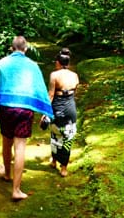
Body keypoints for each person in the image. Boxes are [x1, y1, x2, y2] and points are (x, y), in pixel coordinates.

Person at [0, 36, 53, 201]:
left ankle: (7, 174)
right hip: (24, 109)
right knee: (20, 147)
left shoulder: (2, 63)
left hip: (6, 107)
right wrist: (46, 110)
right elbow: (40, 88)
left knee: (6, 140)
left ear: (11, 48)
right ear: (26, 49)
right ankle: (16, 190)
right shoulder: (32, 66)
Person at [47, 47, 79, 177]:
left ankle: (54, 161)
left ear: (58, 63)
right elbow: (74, 92)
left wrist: (45, 112)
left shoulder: (54, 75)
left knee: (55, 134)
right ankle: (64, 168)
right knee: (68, 136)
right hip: (70, 107)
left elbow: (50, 95)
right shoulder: (75, 76)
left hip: (57, 108)